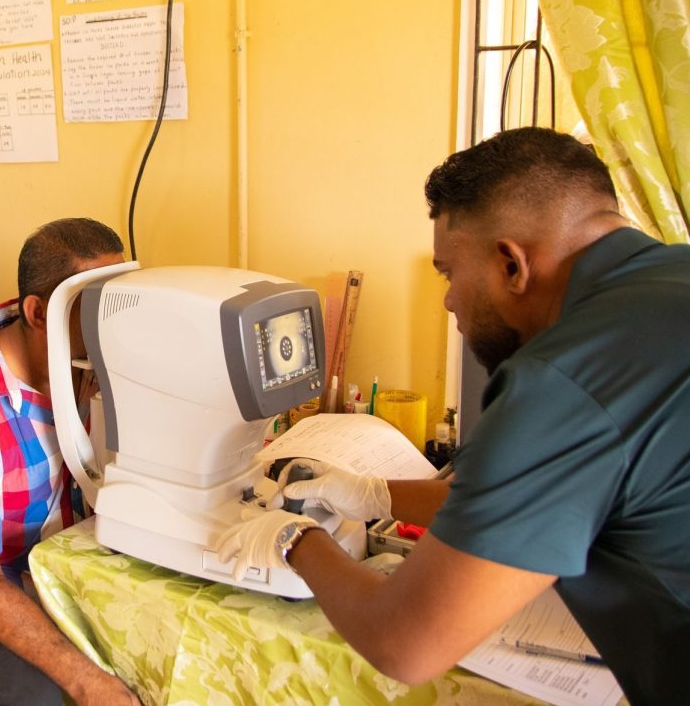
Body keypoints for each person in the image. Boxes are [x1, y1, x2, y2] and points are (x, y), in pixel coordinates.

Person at [216, 127, 690, 705]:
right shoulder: (670, 281)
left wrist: (294, 538)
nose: (447, 300)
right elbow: (545, 496)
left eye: (448, 273)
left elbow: (405, 644)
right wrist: (375, 495)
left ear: (511, 263)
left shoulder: (560, 381)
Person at [0, 218, 140, 706]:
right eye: (95, 307)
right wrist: (84, 680)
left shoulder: (81, 362)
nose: (110, 324)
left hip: (66, 545)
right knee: (35, 693)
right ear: (38, 313)